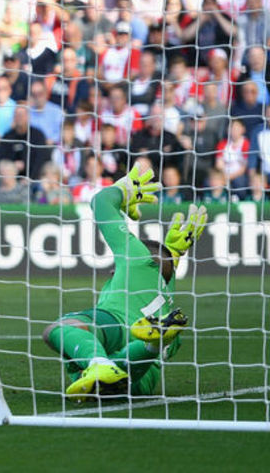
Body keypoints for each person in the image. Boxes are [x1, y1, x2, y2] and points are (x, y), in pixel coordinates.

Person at [43, 165, 207, 399]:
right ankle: (150, 345)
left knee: (59, 328)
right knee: (118, 365)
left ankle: (98, 362)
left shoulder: (138, 259)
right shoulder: (165, 293)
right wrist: (172, 254)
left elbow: (100, 202)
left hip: (117, 325)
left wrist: (123, 191)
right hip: (141, 379)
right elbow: (164, 265)